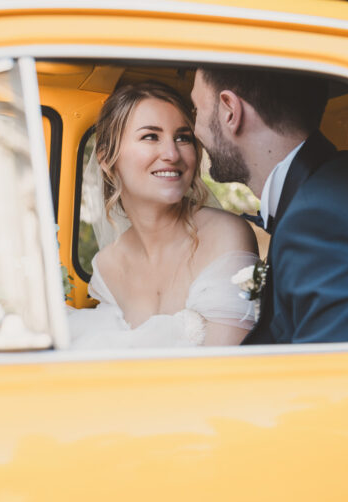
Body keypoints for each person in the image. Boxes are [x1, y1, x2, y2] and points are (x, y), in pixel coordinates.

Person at [190, 67, 348, 344]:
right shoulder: (338, 178)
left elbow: (333, 376)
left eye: (197, 111)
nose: (195, 130)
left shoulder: (320, 222)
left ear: (230, 111)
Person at [68, 81, 259, 349]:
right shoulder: (106, 267)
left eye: (183, 138)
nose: (172, 154)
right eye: (150, 136)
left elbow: (224, 371)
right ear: (106, 157)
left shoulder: (225, 235)